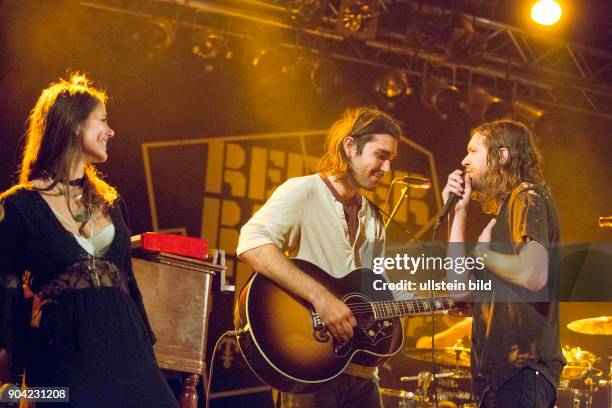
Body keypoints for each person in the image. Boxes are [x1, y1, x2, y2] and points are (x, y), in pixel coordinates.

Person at [0, 73, 179, 407]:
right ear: (73, 124)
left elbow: (129, 285)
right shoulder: (17, 206)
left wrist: (147, 357)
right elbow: (6, 302)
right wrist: (10, 388)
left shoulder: (112, 203)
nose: (110, 132)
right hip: (62, 357)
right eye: (103, 121)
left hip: (129, 351)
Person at [237, 107, 404, 407]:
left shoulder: (375, 218)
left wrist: (439, 300)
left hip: (363, 370)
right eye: (381, 156)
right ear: (350, 147)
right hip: (309, 364)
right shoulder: (302, 191)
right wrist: (322, 299)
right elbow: (252, 243)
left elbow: (378, 288)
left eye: (391, 159)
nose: (387, 168)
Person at [442, 119, 565, 407]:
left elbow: (533, 273)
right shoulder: (505, 211)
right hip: (494, 377)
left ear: (503, 155)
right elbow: (458, 290)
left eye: (473, 151)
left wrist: (483, 254)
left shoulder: (529, 196)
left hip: (522, 370)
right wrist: (458, 214)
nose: (464, 160)